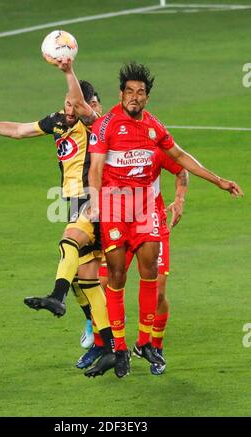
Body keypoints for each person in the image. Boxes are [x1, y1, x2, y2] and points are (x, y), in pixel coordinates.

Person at [87, 62, 243, 378]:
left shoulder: (154, 127)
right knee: (115, 277)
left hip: (146, 212)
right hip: (116, 211)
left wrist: (218, 180)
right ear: (121, 94)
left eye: (140, 92)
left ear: (147, 97)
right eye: (129, 91)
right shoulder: (105, 126)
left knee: (152, 275)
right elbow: (95, 167)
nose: (134, 97)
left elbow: (181, 158)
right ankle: (118, 348)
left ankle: (146, 342)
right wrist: (93, 202)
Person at [0, 62, 116, 377]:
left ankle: (56, 298)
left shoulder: (97, 124)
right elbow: (19, 130)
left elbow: (80, 103)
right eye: (66, 103)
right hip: (73, 201)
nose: (69, 107)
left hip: (95, 200)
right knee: (86, 280)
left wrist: (67, 70)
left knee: (68, 246)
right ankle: (108, 347)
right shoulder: (59, 122)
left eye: (74, 103)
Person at [76, 148, 188, 375]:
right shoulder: (108, 150)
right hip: (118, 223)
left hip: (150, 222)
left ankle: (153, 346)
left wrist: (179, 199)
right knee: (103, 286)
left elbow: (182, 169)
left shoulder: (154, 147)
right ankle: (106, 347)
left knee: (158, 292)